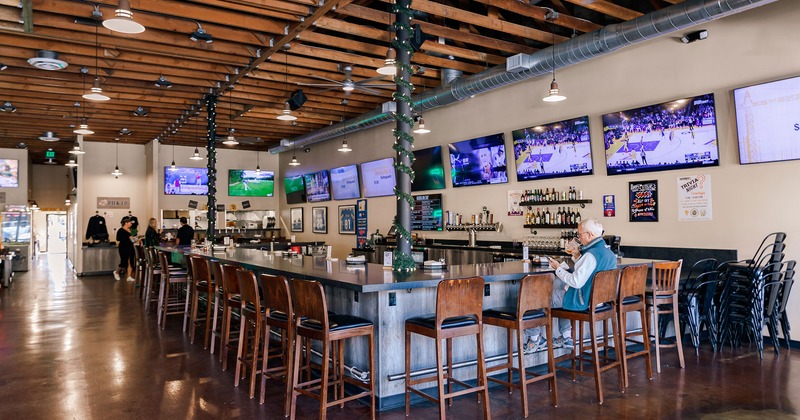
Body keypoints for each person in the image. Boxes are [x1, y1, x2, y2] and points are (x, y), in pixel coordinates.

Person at [524, 219, 618, 352]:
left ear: (590, 235)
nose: (578, 238)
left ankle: (534, 340)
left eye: (580, 234)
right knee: (562, 291)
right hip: (599, 301)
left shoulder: (591, 255)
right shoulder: (608, 253)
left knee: (532, 298)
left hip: (583, 300)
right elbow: (587, 270)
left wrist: (558, 269)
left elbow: (576, 281)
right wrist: (577, 255)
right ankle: (566, 337)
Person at [114, 216, 135, 282]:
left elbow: (133, 239)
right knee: (124, 262)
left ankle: (129, 276)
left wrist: (135, 239)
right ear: (126, 223)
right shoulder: (120, 230)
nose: (131, 224)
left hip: (130, 247)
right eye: (130, 223)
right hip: (123, 247)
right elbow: (118, 239)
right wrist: (128, 237)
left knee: (130, 262)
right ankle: (116, 272)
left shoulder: (131, 230)